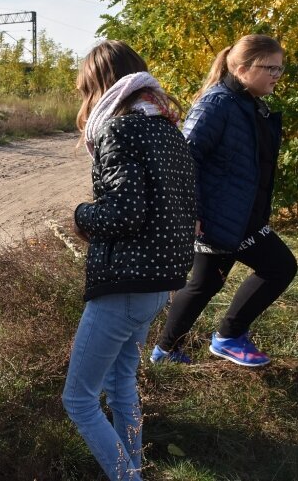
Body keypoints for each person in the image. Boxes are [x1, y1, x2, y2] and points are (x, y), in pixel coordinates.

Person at [62, 40, 195, 481]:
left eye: (87, 91)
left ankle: (127, 476)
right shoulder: (167, 126)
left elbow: (124, 212)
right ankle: (133, 468)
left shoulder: (119, 129)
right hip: (159, 281)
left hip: (125, 282)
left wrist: (81, 215)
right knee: (121, 385)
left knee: (78, 400)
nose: (87, 102)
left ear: (103, 85)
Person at [151, 34, 297, 367]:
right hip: (222, 215)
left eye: (281, 68)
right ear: (244, 67)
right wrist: (194, 211)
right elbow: (186, 156)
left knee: (205, 282)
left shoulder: (246, 103)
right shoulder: (218, 103)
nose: (277, 74)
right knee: (280, 267)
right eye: (270, 67)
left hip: (237, 212)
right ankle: (229, 336)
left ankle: (165, 351)